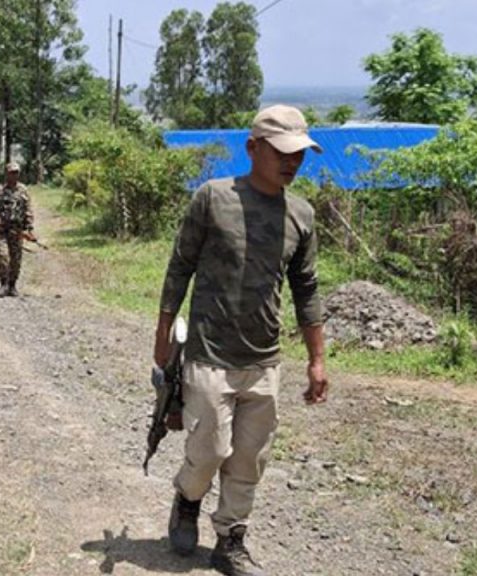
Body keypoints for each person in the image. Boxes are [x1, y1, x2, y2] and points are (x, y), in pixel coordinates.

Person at [153, 105, 329, 576]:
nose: (293, 162)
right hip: (210, 354)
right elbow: (180, 268)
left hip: (264, 360)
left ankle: (231, 539)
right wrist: (163, 338)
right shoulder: (213, 198)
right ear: (253, 149)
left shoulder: (301, 214)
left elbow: (306, 289)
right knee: (209, 450)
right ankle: (187, 500)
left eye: (300, 154)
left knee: (250, 458)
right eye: (283, 152)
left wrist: (317, 359)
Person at [0, 162, 33, 297]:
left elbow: (28, 209)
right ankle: (3, 284)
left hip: (17, 230)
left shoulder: (23, 190)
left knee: (16, 259)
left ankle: (12, 285)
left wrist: (29, 228)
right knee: (3, 256)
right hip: (2, 230)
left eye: (16, 172)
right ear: (6, 173)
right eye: (11, 172)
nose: (14, 175)